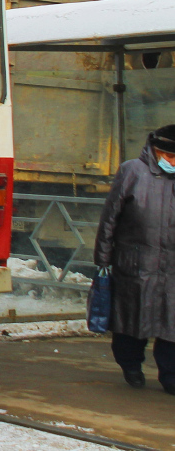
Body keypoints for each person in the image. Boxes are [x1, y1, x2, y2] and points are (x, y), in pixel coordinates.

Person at [94, 124, 175, 393]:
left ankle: (170, 376)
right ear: (154, 150)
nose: (172, 162)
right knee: (131, 321)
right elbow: (110, 218)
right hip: (136, 263)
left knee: (171, 324)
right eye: (168, 156)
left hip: (172, 267)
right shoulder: (133, 171)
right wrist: (103, 259)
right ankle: (131, 365)